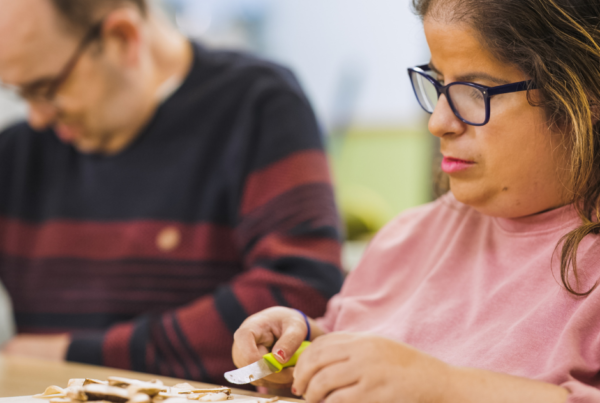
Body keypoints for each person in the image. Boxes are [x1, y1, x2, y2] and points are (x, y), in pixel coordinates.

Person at [231, 0, 600, 401]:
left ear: (585, 93)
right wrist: (307, 350)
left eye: (474, 92)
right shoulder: (408, 237)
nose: (438, 121)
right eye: (438, 83)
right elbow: (357, 345)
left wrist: (442, 389)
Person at [0, 0, 344, 384]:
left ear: (122, 38)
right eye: (21, 93)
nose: (37, 117)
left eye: (47, 89)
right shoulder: (17, 153)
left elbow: (300, 292)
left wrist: (74, 354)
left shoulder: (257, 105)